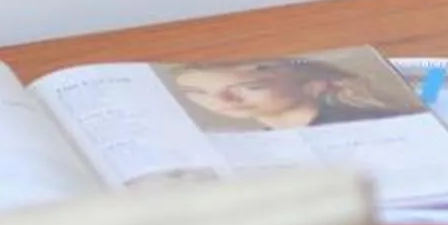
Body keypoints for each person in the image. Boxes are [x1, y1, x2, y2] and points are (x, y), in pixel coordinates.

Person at [171, 58, 400, 132]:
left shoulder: (368, 125)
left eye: (251, 87)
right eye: (198, 93)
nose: (222, 102)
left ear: (311, 83)